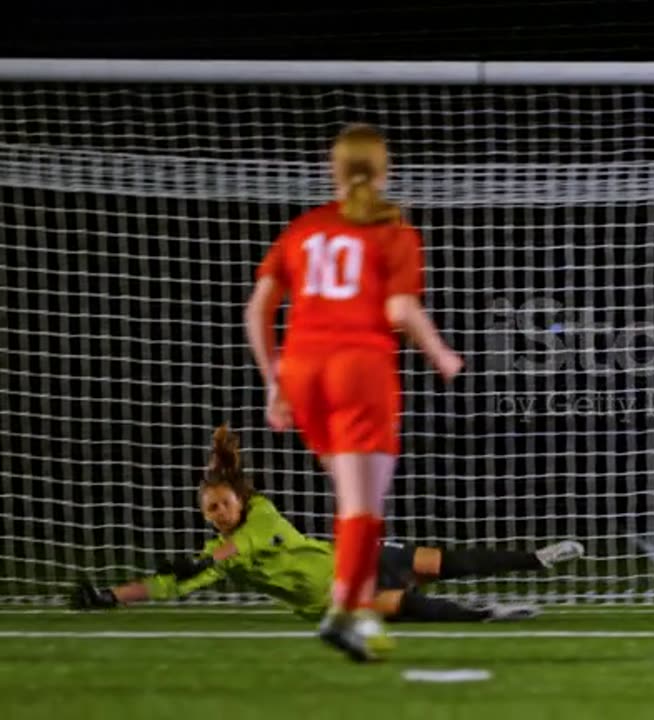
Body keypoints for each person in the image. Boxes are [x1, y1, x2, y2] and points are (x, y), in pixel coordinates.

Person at [244, 122, 465, 661]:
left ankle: (354, 611)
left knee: (352, 504)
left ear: (332, 170)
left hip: (303, 370)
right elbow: (399, 310)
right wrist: (440, 353)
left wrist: (276, 381)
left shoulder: (304, 228)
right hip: (357, 370)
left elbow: (257, 309)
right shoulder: (392, 229)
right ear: (384, 171)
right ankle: (345, 613)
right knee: (363, 507)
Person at [69, 424, 585, 624]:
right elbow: (168, 584)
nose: (218, 514)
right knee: (411, 606)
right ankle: (490, 614)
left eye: (222, 504)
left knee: (443, 562)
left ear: (240, 499)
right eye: (210, 510)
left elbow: (235, 549)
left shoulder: (261, 514)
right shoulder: (220, 554)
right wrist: (113, 595)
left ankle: (536, 558)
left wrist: (201, 560)